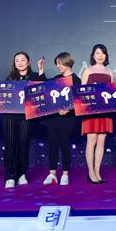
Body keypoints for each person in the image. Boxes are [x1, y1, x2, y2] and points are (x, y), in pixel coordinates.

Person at [3, 52, 45, 189]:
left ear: (29, 62)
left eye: (23, 60)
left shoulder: (34, 76)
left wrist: (41, 69)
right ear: (14, 64)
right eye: (17, 60)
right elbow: (2, 97)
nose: (20, 63)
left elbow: (42, 88)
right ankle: (10, 176)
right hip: (10, 116)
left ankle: (21, 174)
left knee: (23, 144)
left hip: (26, 116)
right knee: (10, 145)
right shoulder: (10, 78)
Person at [41, 52, 81, 186]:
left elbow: (79, 100)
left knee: (65, 146)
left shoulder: (76, 80)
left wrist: (69, 109)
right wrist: (41, 70)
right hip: (54, 118)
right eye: (57, 64)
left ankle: (65, 174)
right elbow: (45, 88)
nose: (58, 66)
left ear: (67, 63)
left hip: (67, 119)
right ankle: (52, 174)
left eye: (60, 63)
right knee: (52, 145)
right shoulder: (57, 78)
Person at [81, 44, 114, 184]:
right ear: (93, 56)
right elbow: (81, 92)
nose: (100, 56)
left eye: (103, 53)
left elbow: (111, 93)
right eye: (97, 53)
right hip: (91, 111)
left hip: (105, 111)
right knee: (91, 141)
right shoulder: (88, 71)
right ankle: (91, 172)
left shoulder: (109, 72)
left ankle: (97, 171)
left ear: (106, 56)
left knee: (101, 141)